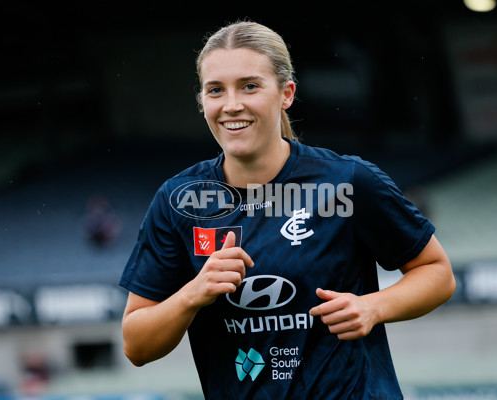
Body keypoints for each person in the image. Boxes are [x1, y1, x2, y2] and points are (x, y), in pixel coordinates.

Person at [119, 20, 456, 399]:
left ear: (286, 93)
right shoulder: (178, 200)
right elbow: (136, 345)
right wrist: (193, 293)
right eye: (216, 90)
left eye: (250, 86)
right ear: (203, 101)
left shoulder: (347, 182)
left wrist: (374, 307)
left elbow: (438, 274)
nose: (232, 105)